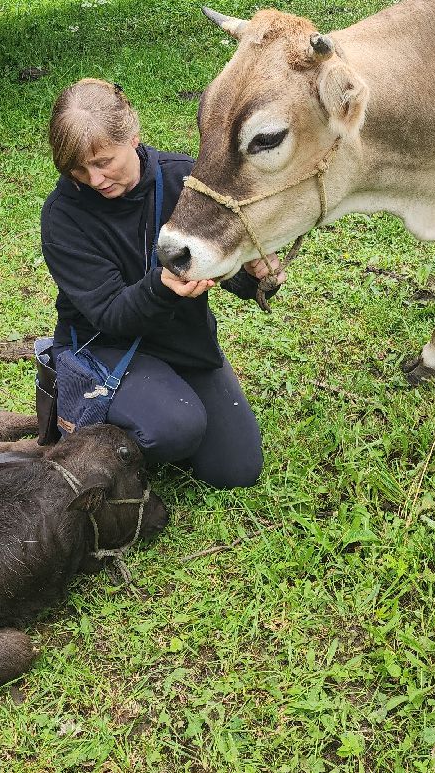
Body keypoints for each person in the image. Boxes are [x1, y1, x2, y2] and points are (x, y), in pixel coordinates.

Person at [39, 78, 279, 489]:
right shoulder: (62, 215)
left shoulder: (185, 179)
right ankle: (82, 410)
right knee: (175, 428)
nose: (95, 180)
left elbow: (219, 266)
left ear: (133, 136)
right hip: (105, 344)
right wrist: (163, 287)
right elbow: (110, 313)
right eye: (78, 169)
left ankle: (155, 405)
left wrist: (254, 274)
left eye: (103, 162)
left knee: (237, 470)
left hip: (184, 340)